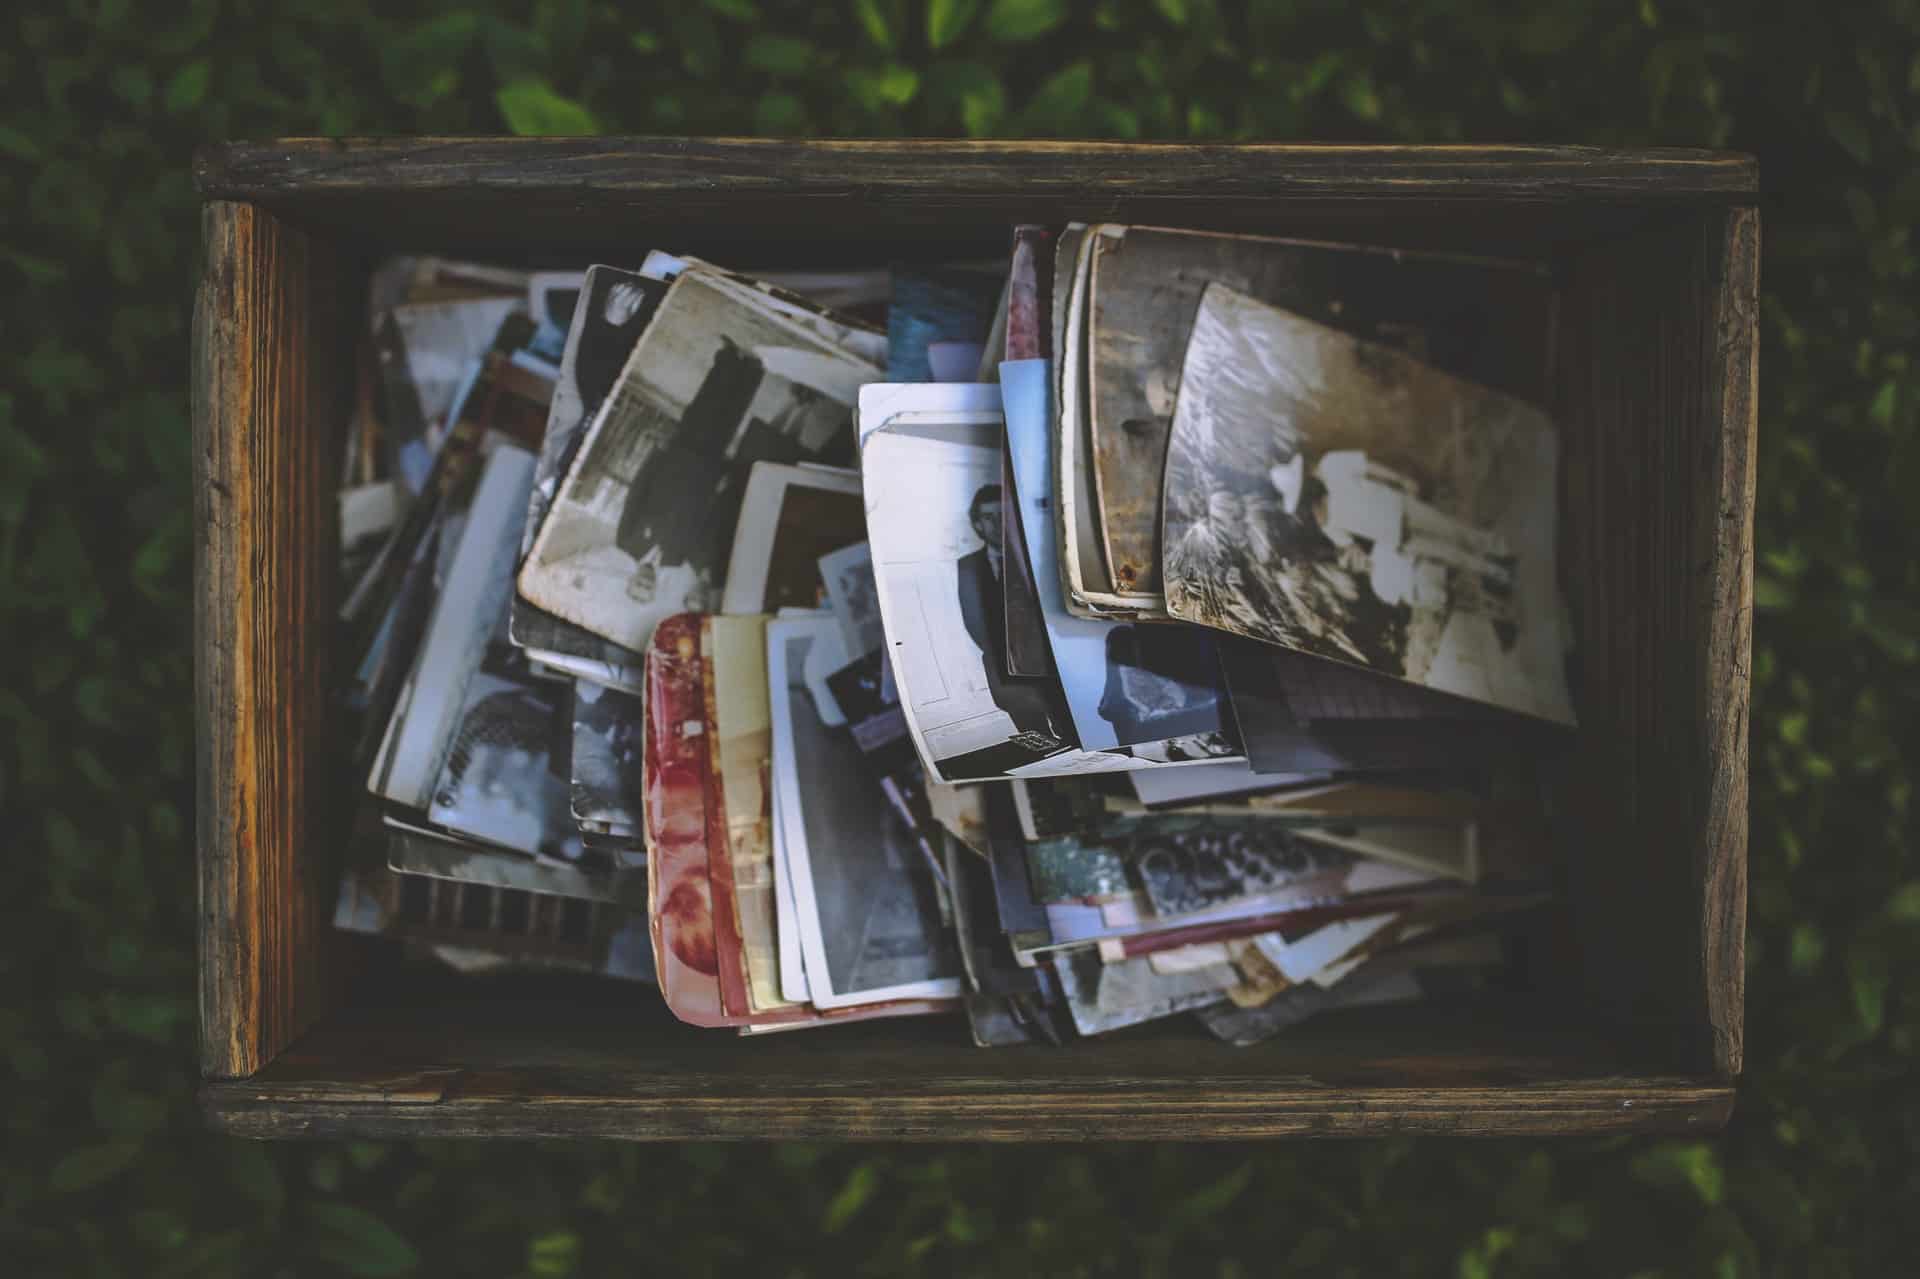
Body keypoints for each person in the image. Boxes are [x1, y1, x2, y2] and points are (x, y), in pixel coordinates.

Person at [954, 484, 1059, 744]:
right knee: (1037, 742)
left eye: (1002, 516)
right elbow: (974, 622)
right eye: (988, 518)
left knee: (1071, 731)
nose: (996, 523)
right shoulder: (967, 567)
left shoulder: (1033, 554)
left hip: (1050, 663)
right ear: (977, 525)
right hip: (1006, 671)